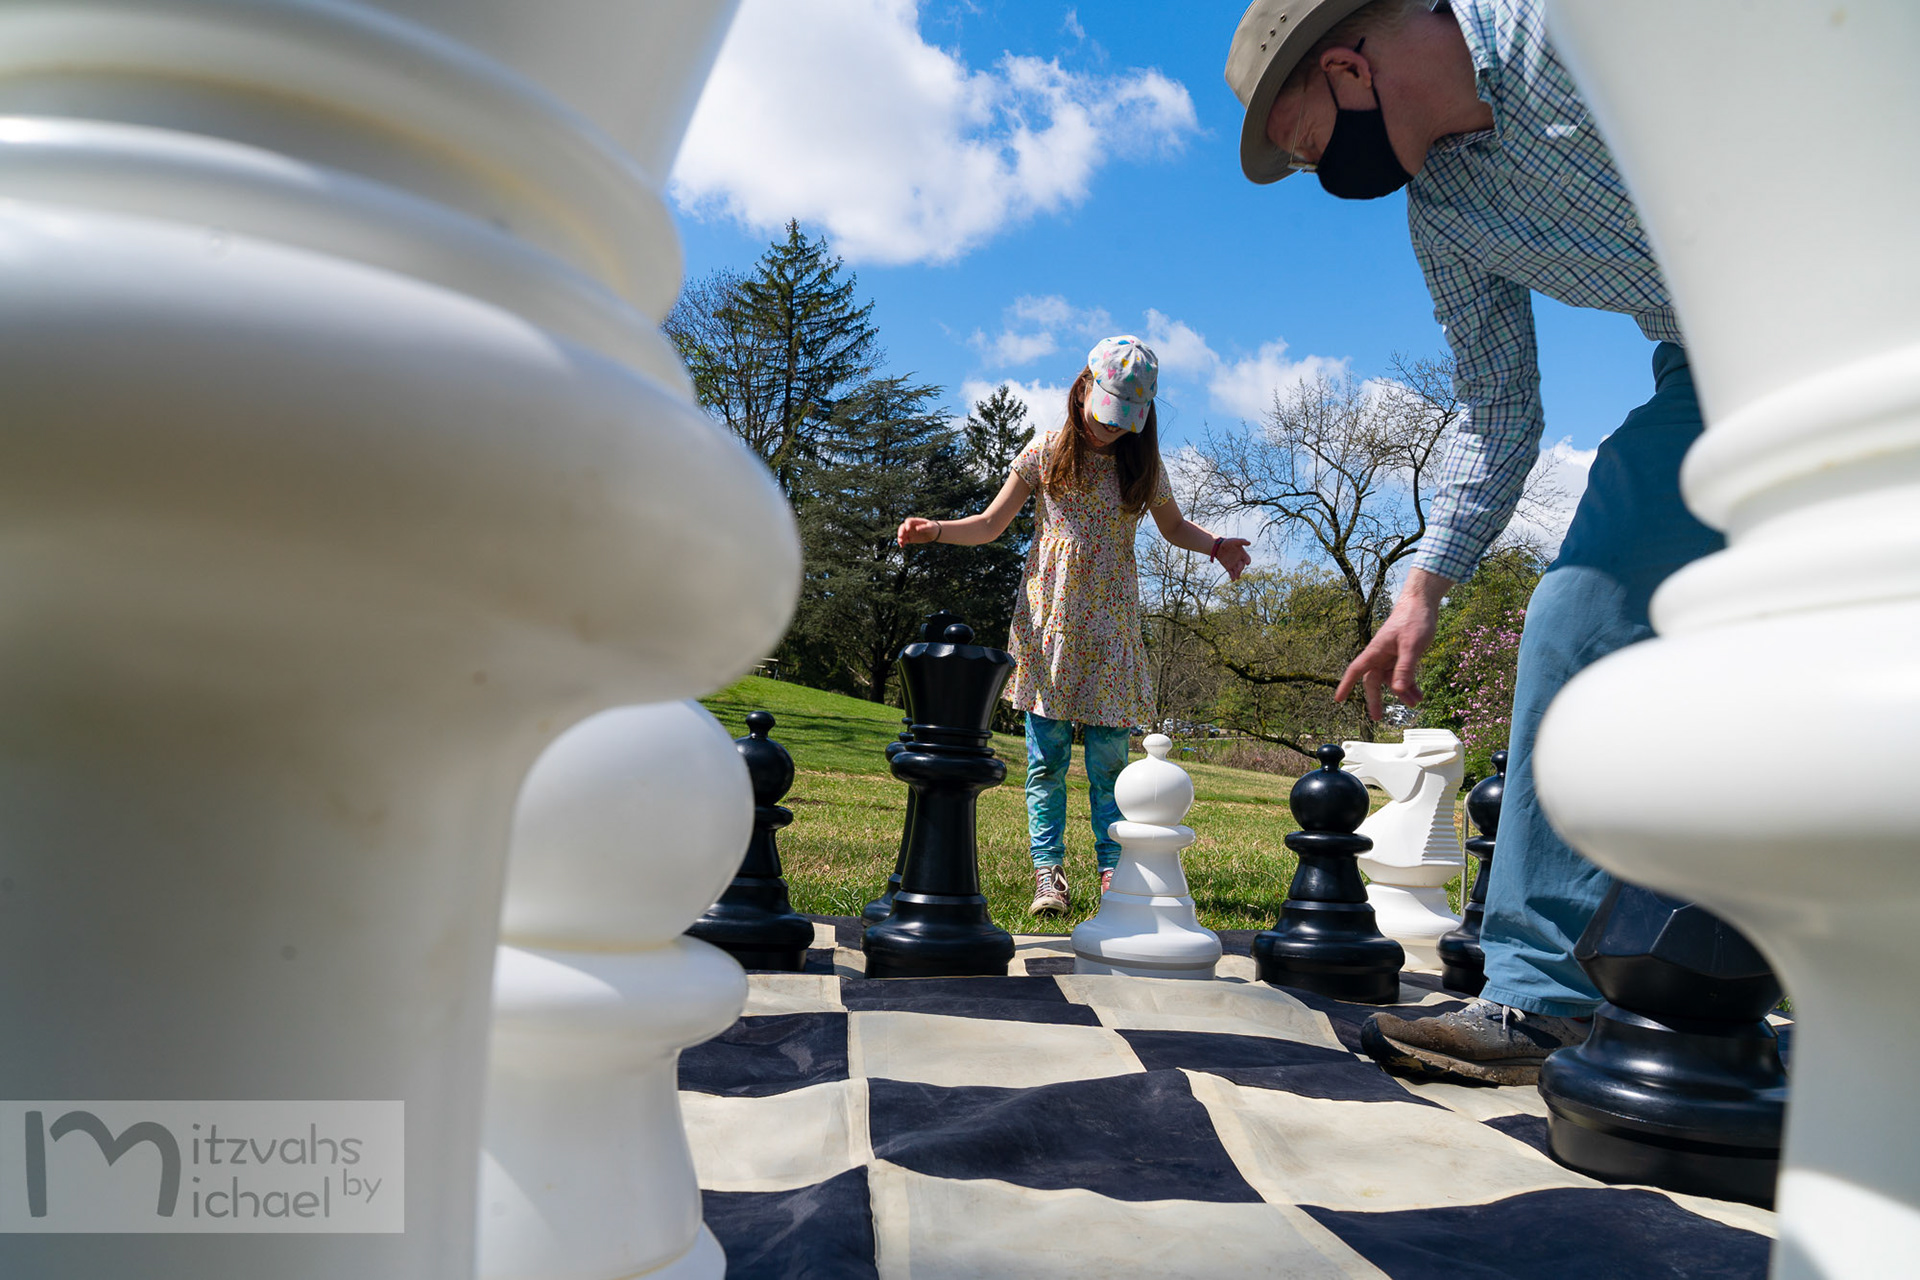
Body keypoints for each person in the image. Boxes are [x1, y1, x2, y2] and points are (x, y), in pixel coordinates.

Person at [1224, 0, 1724, 1084]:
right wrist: (1424, 586)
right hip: (1714, 366)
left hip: (1871, 285)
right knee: (1576, 610)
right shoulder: (1444, 213)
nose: (1318, 176)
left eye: (1308, 148)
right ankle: (1540, 1002)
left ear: (1348, 69)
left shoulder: (1578, 33)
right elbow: (1499, 409)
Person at [898, 337, 1251, 916]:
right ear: (1083, 388)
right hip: (1050, 628)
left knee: (1109, 766)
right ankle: (1049, 873)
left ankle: (1115, 872)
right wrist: (936, 529)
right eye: (1105, 416)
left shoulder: (1142, 466)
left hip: (1111, 630)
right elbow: (989, 524)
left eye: (1123, 423)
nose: (1110, 431)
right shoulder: (1045, 452)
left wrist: (1216, 546)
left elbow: (1173, 527)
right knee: (1047, 762)